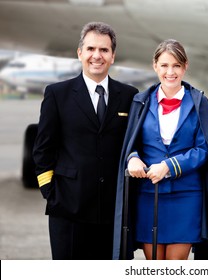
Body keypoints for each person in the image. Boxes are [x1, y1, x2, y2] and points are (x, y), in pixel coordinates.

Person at [32, 22, 139, 260]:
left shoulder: (130, 96)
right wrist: (50, 192)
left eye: (104, 50)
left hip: (114, 211)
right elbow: (43, 149)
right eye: (91, 49)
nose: (97, 56)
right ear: (79, 53)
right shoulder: (57, 94)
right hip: (69, 209)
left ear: (113, 56)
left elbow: (135, 145)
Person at [112, 39, 208, 260]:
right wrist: (132, 158)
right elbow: (132, 144)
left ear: (185, 66)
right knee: (154, 265)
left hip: (186, 196)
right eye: (164, 65)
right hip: (149, 195)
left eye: (176, 66)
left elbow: (204, 149)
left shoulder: (199, 102)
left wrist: (169, 166)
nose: (170, 72)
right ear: (155, 66)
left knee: (175, 266)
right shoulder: (141, 101)